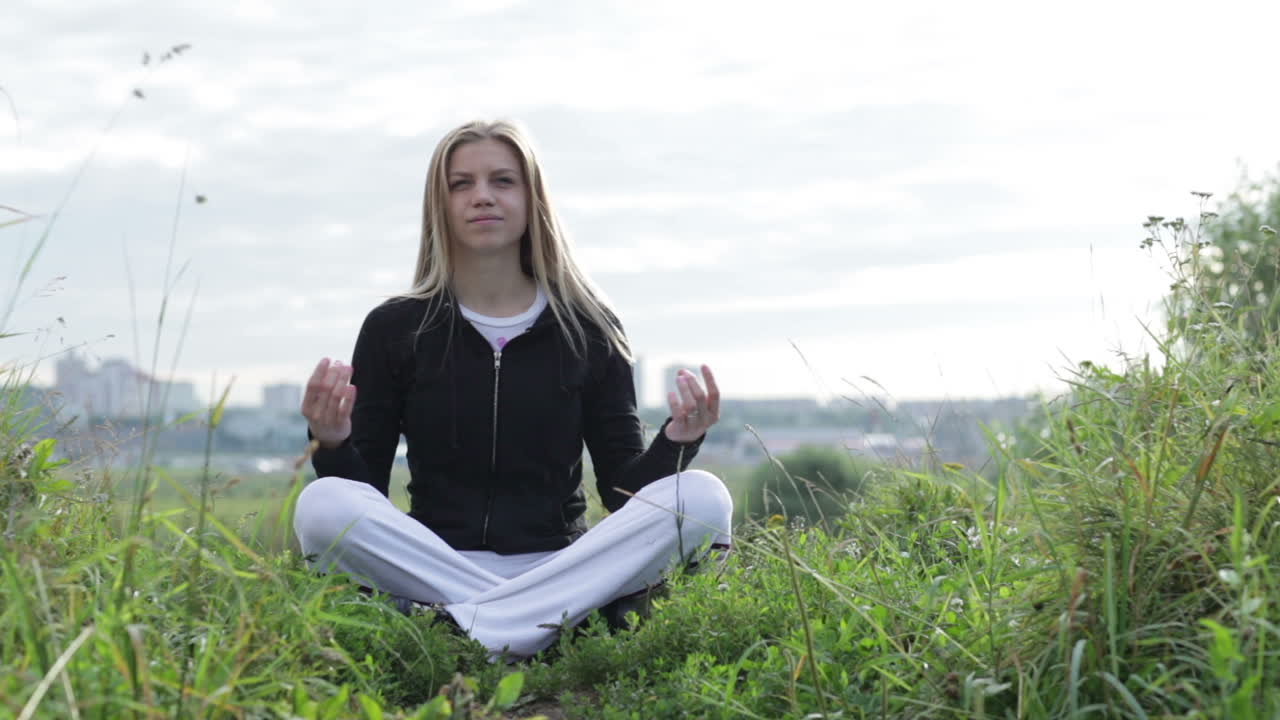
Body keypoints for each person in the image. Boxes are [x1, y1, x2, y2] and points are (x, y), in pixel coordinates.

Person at [292, 119, 732, 659]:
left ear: (531, 199)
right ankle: (550, 626)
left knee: (704, 497)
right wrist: (332, 443)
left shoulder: (589, 327)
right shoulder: (396, 328)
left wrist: (677, 441)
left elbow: (622, 493)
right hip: (436, 563)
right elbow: (364, 495)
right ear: (442, 204)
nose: (482, 197)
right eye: (462, 184)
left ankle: (466, 625)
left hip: (559, 565)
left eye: (503, 181)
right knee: (322, 503)